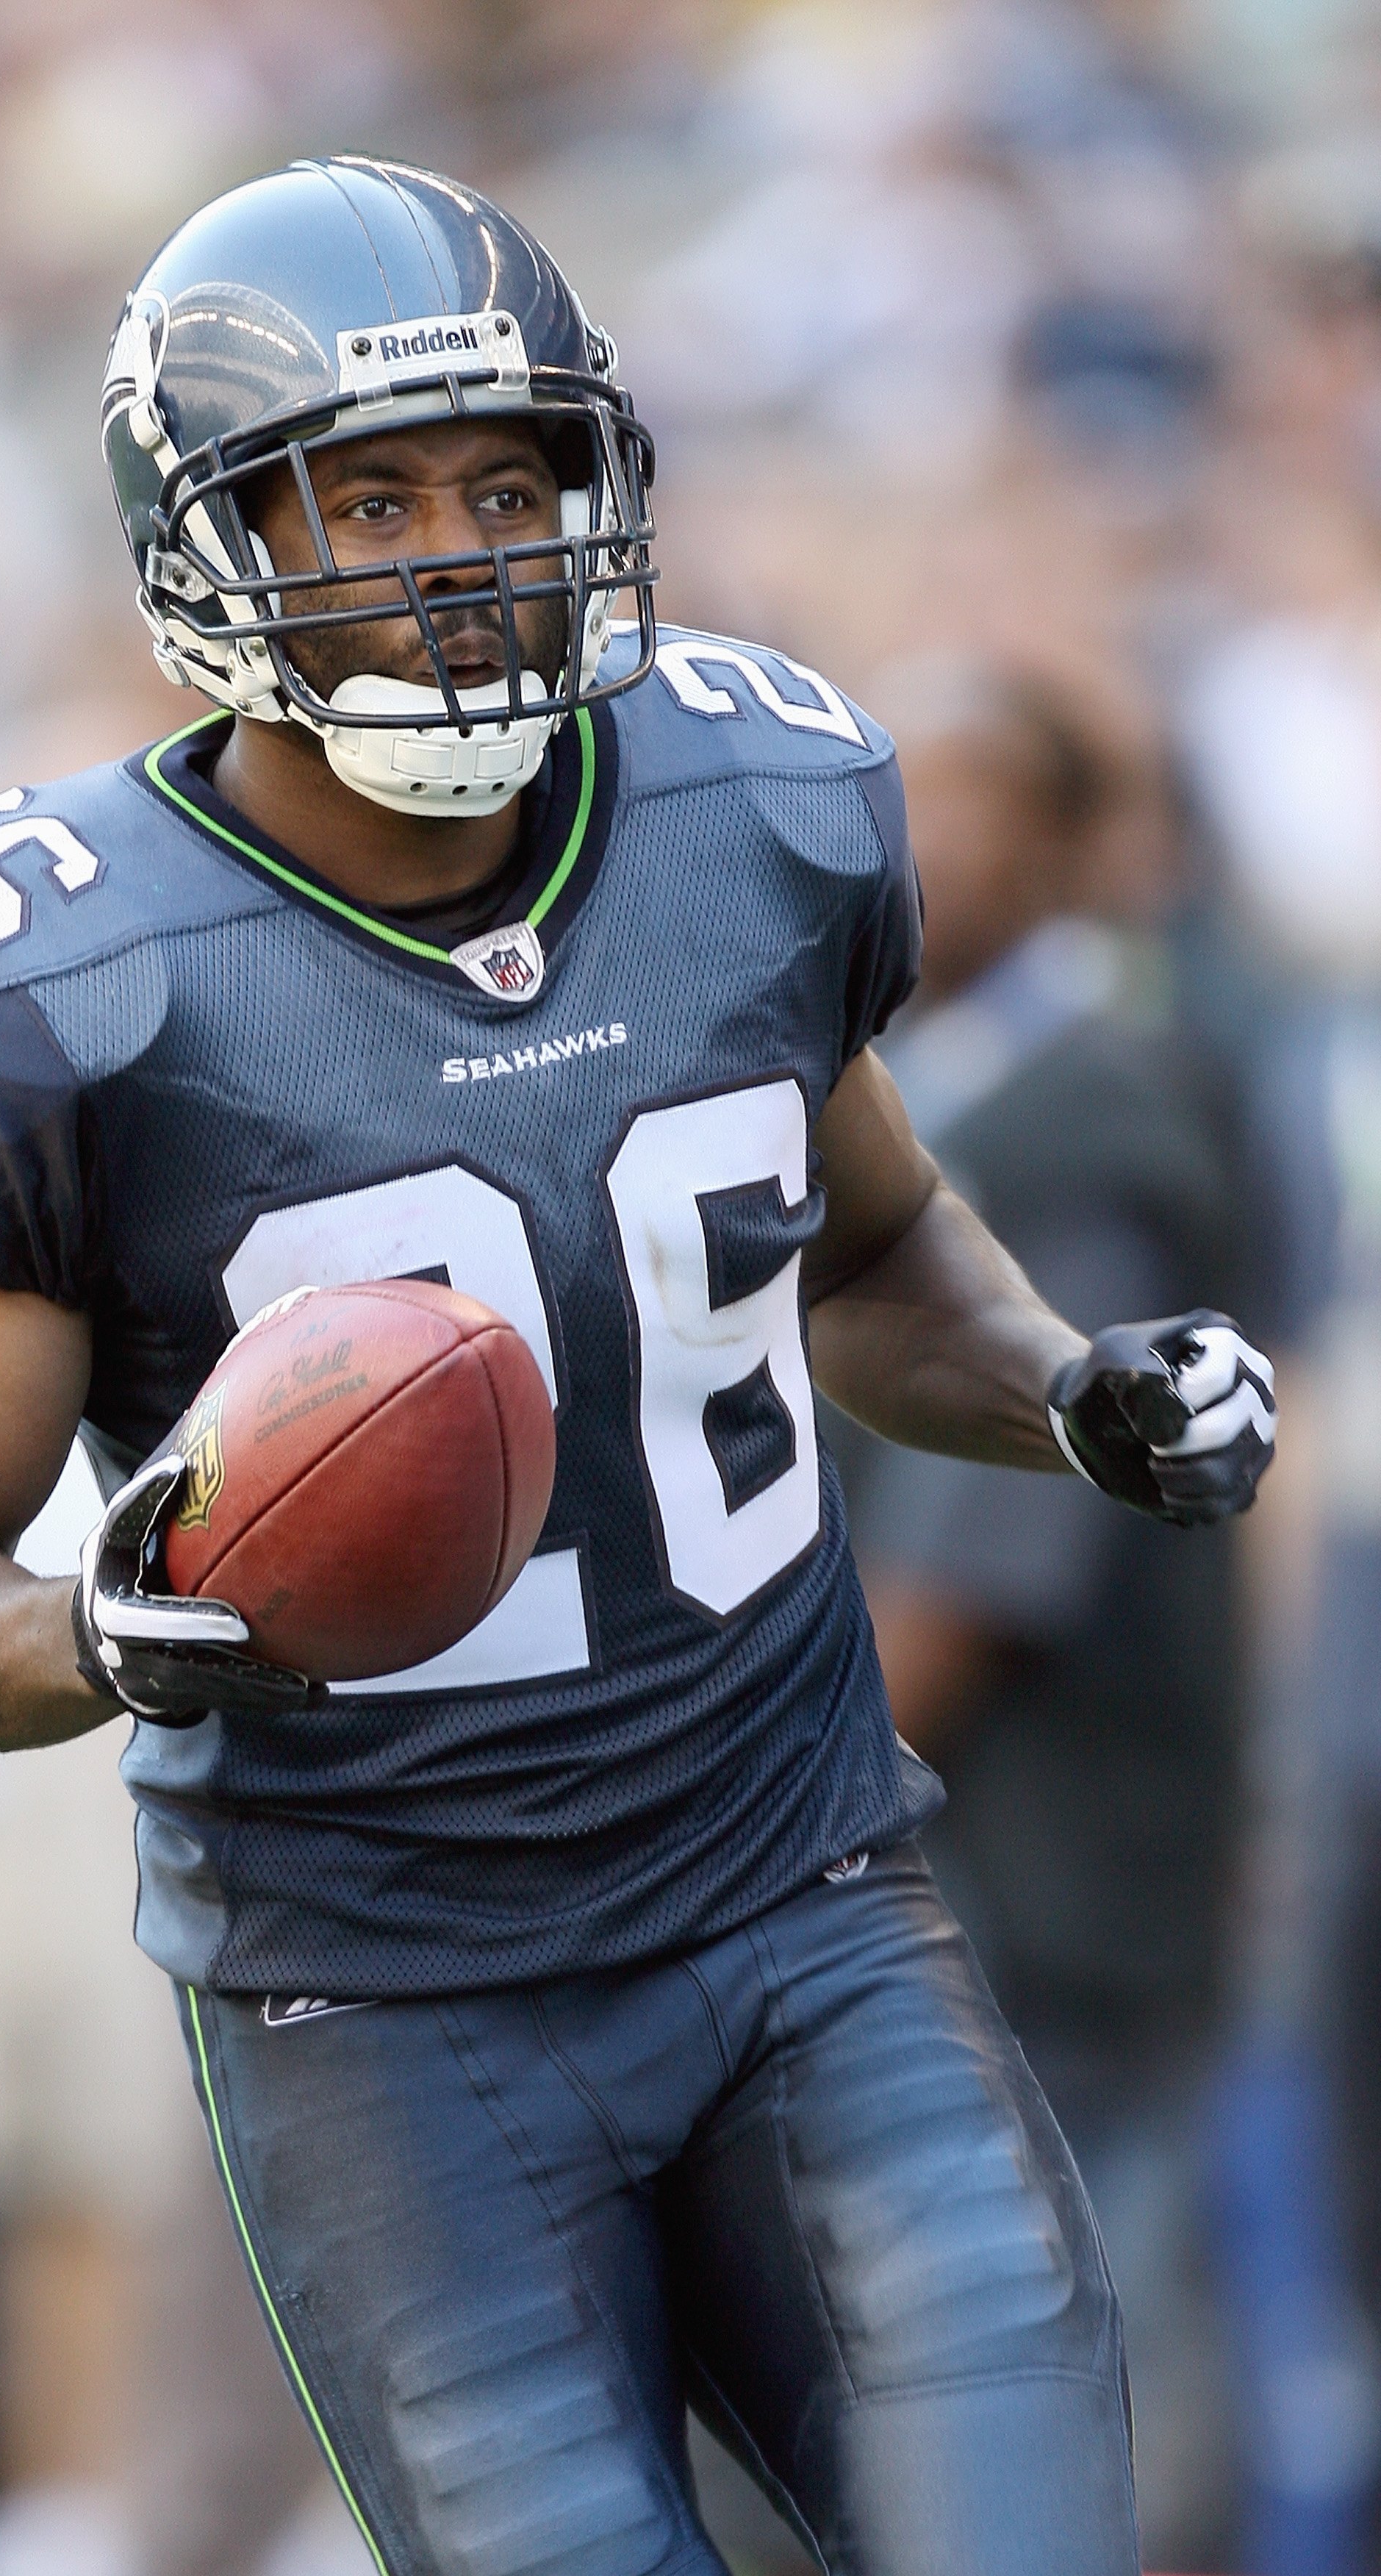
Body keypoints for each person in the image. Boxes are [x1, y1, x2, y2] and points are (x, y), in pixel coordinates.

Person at [0, 161, 1277, 2576]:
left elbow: (882, 1254)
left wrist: (1068, 1384)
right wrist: (94, 1628)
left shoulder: (750, 813)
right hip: (391, 2021)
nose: (458, 549)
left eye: (509, 481)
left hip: (806, 1904)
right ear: (210, 534)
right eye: (368, 493)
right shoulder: (45, 986)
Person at [826, 655, 1268, 2567]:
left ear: (1088, 847)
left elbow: (975, 1576)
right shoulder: (945, 1086)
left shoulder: (1086, 1115)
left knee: (1067, 2422)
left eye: (982, 794)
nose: (926, 844)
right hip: (1001, 1875)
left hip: (1038, 1880)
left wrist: (759, 1805)